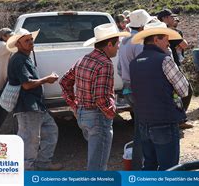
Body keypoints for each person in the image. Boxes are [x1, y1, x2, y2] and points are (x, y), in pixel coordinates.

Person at [60, 23, 130, 170]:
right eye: (117, 44)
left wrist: (74, 105)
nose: (118, 47)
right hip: (97, 117)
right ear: (109, 44)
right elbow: (100, 98)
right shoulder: (105, 64)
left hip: (83, 114)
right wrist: (112, 112)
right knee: (97, 165)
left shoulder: (84, 59)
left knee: (95, 159)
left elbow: (64, 81)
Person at [130, 21, 189, 170]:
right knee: (169, 168)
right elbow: (184, 90)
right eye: (166, 38)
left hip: (143, 121)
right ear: (156, 39)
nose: (168, 42)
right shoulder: (165, 60)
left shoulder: (134, 62)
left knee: (149, 164)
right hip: (164, 120)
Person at [6, 28, 62, 170]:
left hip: (36, 106)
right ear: (18, 44)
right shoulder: (19, 59)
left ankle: (43, 164)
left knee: (50, 132)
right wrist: (46, 79)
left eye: (31, 39)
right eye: (26, 40)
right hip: (27, 106)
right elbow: (26, 85)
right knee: (30, 141)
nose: (31, 42)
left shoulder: (25, 58)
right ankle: (26, 171)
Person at [117, 9, 155, 170]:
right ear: (142, 26)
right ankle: (142, 166)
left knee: (140, 126)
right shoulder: (138, 42)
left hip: (128, 86)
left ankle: (141, 164)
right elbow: (144, 67)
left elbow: (119, 68)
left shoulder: (124, 41)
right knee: (144, 130)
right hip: (139, 88)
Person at [157, 9, 192, 129]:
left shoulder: (159, 32)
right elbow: (185, 45)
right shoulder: (170, 32)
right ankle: (179, 119)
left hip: (164, 65)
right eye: (171, 17)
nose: (173, 19)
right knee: (186, 89)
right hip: (172, 65)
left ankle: (177, 118)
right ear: (165, 19)